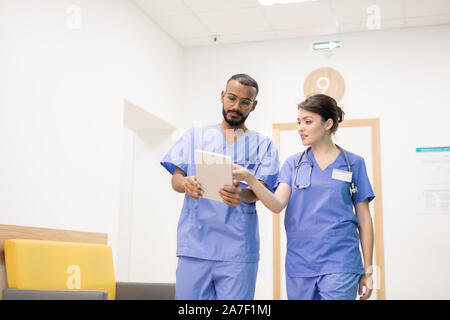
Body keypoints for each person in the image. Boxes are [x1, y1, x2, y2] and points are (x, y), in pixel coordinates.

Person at [233, 94, 375, 300]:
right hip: (300, 264)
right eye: (299, 122)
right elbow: (276, 204)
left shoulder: (353, 163)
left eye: (308, 122)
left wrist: (368, 270)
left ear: (328, 123)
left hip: (341, 261)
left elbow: (364, 219)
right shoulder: (293, 164)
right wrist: (251, 179)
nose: (301, 128)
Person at [160, 74, 279, 300]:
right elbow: (176, 180)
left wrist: (240, 194)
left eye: (245, 102)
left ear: (253, 105)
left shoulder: (263, 145)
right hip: (195, 245)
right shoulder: (194, 136)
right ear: (223, 96)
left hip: (237, 250)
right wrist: (186, 183)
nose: (236, 106)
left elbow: (259, 192)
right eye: (232, 98)